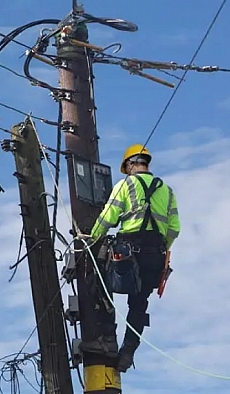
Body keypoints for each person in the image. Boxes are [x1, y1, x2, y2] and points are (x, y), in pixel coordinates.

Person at [85, 143, 180, 372]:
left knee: (98, 280)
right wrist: (160, 248)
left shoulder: (125, 185)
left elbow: (108, 217)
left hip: (128, 253)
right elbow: (174, 228)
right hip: (155, 256)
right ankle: (128, 349)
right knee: (138, 304)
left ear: (129, 165)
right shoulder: (166, 190)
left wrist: (90, 239)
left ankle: (107, 336)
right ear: (145, 163)